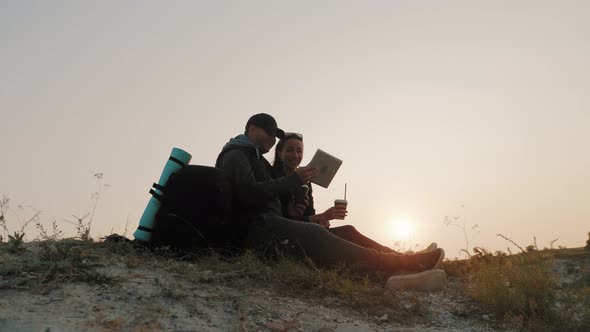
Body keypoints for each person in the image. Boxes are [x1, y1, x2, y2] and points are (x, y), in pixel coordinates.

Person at [215, 113, 444, 277]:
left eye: (276, 136)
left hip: (270, 225)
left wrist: (308, 214)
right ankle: (400, 264)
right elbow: (248, 197)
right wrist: (300, 204)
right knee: (315, 232)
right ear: (252, 129)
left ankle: (403, 262)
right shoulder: (238, 155)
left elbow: (267, 202)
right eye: (270, 134)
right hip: (256, 232)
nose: (272, 139)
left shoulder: (256, 159)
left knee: (347, 231)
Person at [272, 132, 404, 253]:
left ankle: (398, 257)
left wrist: (322, 220)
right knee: (348, 232)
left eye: (299, 151)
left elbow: (310, 215)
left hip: (309, 232)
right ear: (279, 153)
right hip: (286, 239)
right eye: (289, 150)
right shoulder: (272, 179)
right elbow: (279, 221)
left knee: (348, 230)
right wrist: (321, 217)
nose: (295, 155)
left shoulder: (306, 182)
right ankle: (397, 259)